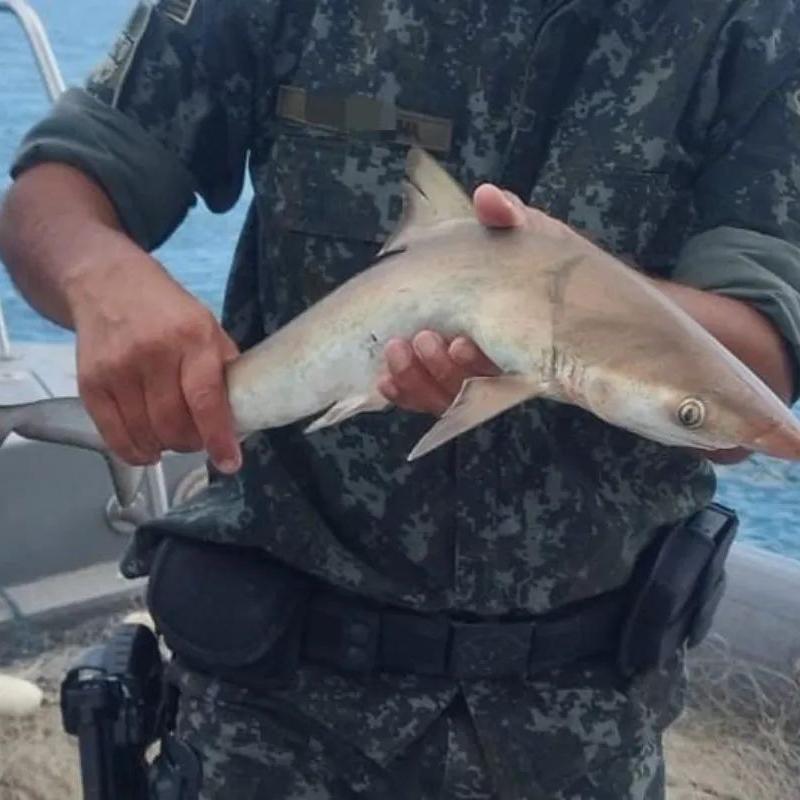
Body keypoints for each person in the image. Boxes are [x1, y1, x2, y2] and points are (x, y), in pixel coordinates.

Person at [2, 0, 800, 797]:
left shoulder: (751, 22)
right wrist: (101, 279)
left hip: (584, 711)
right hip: (272, 699)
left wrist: (558, 302)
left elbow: (750, 368)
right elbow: (57, 195)